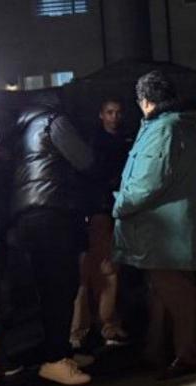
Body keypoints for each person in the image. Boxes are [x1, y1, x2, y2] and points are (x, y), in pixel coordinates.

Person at [113, 71, 196, 380]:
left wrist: (120, 204)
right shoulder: (182, 125)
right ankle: (157, 351)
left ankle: (186, 355)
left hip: (164, 229)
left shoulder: (162, 130)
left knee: (174, 291)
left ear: (144, 101)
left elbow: (147, 180)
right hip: (176, 224)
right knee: (164, 290)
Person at [10, 95, 95, 385]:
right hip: (52, 211)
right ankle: (56, 359)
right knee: (60, 285)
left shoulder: (25, 127)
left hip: (30, 214)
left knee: (50, 288)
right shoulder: (53, 122)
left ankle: (58, 351)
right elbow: (84, 159)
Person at [70, 98, 132, 351]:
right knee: (99, 271)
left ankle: (96, 327)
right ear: (101, 115)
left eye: (118, 112)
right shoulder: (93, 144)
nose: (114, 117)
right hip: (99, 210)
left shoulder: (122, 140)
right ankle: (93, 328)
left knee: (105, 270)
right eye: (110, 112)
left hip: (112, 210)